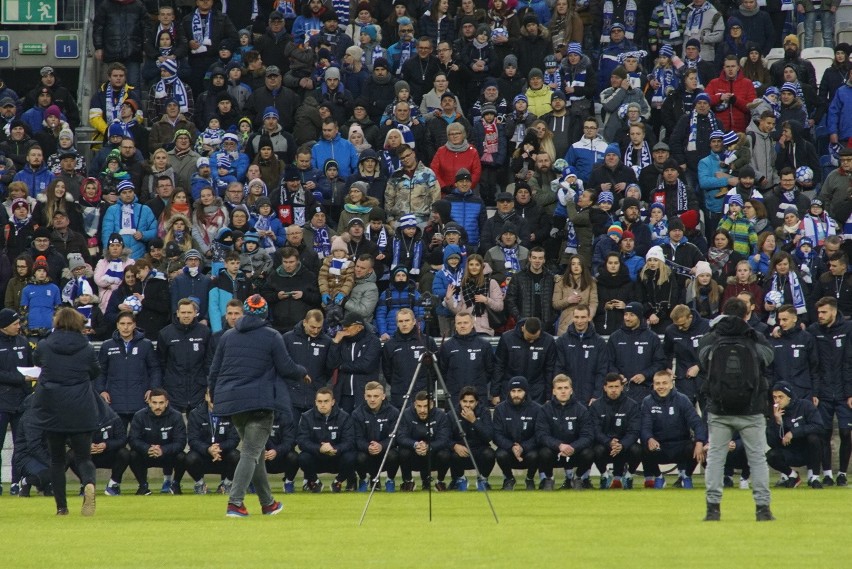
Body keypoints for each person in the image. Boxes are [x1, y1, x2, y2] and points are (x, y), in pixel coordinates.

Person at [207, 293, 307, 513]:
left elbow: (214, 370)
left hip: (232, 403)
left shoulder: (228, 336)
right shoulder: (272, 336)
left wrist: (214, 396)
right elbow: (286, 367)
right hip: (259, 402)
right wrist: (303, 373)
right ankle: (235, 502)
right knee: (251, 452)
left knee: (256, 453)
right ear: (264, 313)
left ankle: (267, 503)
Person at [697, 297, 775, 521]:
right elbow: (768, 358)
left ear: (723, 312)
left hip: (719, 409)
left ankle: (713, 509)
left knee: (716, 459)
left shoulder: (711, 338)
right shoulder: (754, 337)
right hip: (752, 409)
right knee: (758, 459)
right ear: (746, 313)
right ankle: (763, 509)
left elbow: (703, 361)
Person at [30, 308, 101, 515]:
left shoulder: (45, 345)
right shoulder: (86, 348)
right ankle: (88, 483)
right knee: (84, 457)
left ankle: (61, 507)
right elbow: (96, 371)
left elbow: (36, 361)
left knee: (57, 460)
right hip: (81, 407)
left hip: (53, 408)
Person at [806, 296, 852, 487]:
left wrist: (850, 392)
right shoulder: (813, 331)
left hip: (843, 391)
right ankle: (826, 473)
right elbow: (813, 365)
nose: (820, 316)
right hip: (823, 391)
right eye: (818, 312)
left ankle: (842, 473)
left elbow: (849, 362)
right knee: (823, 433)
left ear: (833, 311)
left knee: (845, 432)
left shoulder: (848, 329)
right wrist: (815, 392)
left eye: (824, 312)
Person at [640, 370, 707, 490]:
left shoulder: (682, 399)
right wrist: (649, 438)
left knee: (697, 446)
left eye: (664, 383)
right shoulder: (647, 401)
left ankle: (686, 476)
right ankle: (658, 477)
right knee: (643, 446)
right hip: (660, 446)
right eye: (657, 383)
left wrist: (699, 441)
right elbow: (645, 427)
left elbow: (697, 423)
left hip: (681, 446)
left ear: (671, 384)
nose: (661, 387)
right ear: (654, 385)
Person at [96, 311, 162, 431]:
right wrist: (101, 390)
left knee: (140, 441)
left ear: (134, 325)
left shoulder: (146, 345)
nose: (125, 327)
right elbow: (100, 371)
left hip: (140, 402)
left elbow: (155, 369)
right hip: (115, 402)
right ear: (117, 325)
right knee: (117, 442)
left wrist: (153, 388)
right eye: (122, 323)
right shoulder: (107, 346)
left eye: (129, 323)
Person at [536, 374, 595, 490]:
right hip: (555, 452)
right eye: (559, 388)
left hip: (575, 452)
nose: (563, 391)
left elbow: (588, 436)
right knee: (543, 452)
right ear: (554, 391)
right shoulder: (545, 410)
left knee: (590, 453)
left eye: (566, 388)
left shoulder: (581, 410)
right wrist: (559, 445)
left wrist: (573, 447)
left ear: (571, 390)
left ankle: (577, 478)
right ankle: (549, 479)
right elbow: (541, 434)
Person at [128, 388, 187, 495]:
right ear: (149, 402)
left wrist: (163, 450)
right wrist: (147, 448)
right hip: (147, 454)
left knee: (182, 456)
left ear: (166, 403)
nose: (158, 406)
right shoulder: (139, 416)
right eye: (154, 403)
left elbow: (181, 442)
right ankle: (143, 486)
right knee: (132, 454)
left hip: (167, 455)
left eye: (161, 403)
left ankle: (175, 485)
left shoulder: (176, 416)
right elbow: (133, 439)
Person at [0, 309, 34, 496]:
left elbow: (29, 366)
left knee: (21, 445)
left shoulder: (23, 342)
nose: (18, 326)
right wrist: (21, 379)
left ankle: (16, 481)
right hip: (1, 401)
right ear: (4, 326)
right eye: (15, 324)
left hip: (21, 401)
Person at [766, 381, 825, 489]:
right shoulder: (775, 413)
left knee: (814, 438)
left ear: (789, 397)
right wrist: (778, 422)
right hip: (791, 452)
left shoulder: (805, 405)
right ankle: (793, 476)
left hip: (808, 451)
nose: (777, 400)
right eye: (775, 397)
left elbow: (819, 426)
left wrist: (793, 432)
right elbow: (772, 442)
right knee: (771, 456)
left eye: (781, 397)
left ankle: (815, 477)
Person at [156, 299, 211, 414]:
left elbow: (208, 361)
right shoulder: (165, 333)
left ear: (195, 313)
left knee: (198, 429)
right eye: (183, 312)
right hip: (173, 390)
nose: (186, 315)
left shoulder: (205, 332)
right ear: (177, 313)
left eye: (189, 312)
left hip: (198, 390)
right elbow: (161, 362)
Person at [297, 387, 357, 493]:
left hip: (337, 457)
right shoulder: (306, 417)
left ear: (333, 402)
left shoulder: (345, 417)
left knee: (351, 456)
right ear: (315, 402)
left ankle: (338, 482)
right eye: (319, 401)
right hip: (317, 457)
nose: (322, 404)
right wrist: (319, 448)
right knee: (303, 457)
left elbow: (349, 441)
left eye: (326, 401)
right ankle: (314, 482)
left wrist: (335, 449)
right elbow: (302, 441)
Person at [589, 373, 642, 489]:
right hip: (605, 446)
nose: (614, 390)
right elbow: (595, 430)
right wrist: (609, 442)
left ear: (622, 387)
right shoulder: (596, 406)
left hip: (625, 446)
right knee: (595, 450)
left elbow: (634, 431)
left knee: (638, 450)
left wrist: (622, 444)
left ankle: (628, 475)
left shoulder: (632, 405)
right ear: (605, 388)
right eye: (611, 387)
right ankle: (605, 475)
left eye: (617, 387)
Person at [607, 301, 666, 404]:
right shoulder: (615, 337)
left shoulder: (652, 337)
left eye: (631, 315)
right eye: (625, 314)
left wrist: (644, 375)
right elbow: (608, 362)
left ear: (639, 316)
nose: (627, 318)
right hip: (621, 391)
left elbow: (660, 363)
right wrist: (617, 375)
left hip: (645, 391)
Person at [184, 391, 240, 495]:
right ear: (206, 396)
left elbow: (234, 439)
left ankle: (227, 484)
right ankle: (200, 484)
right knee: (189, 458)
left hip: (223, 455)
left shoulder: (231, 413)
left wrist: (219, 447)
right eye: (211, 395)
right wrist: (208, 449)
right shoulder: (195, 414)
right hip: (203, 457)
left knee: (236, 455)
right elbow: (193, 440)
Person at [281, 310, 336, 416]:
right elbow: (282, 365)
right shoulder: (288, 338)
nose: (315, 331)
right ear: (304, 322)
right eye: (312, 327)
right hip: (291, 397)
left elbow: (330, 369)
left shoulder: (327, 342)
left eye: (319, 328)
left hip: (315, 399)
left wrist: (318, 383)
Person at [381, 308, 438, 409]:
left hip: (423, 393)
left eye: (407, 320)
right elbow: (387, 371)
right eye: (400, 321)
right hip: (399, 394)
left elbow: (435, 369)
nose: (404, 324)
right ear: (397, 323)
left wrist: (425, 383)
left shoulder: (427, 341)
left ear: (414, 321)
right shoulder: (390, 345)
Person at [492, 376, 542, 490]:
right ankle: (509, 479)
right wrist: (512, 447)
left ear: (526, 392)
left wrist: (523, 447)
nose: (516, 394)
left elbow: (539, 434)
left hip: (528, 450)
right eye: (513, 391)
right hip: (508, 450)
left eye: (520, 391)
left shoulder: (537, 409)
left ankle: (529, 479)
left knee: (536, 454)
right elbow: (496, 435)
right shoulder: (500, 409)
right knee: (500, 454)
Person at [397, 390, 453, 492]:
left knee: (445, 453)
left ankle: (439, 482)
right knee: (402, 452)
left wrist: (428, 446)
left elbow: (444, 439)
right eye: (419, 406)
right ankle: (408, 481)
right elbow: (401, 437)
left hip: (433, 455)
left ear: (432, 404)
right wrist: (415, 445)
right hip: (414, 454)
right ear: (414, 404)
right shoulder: (406, 414)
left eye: (426, 406)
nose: (422, 410)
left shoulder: (441, 415)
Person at [351, 381, 401, 492]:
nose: (372, 399)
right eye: (369, 396)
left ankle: (390, 480)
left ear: (383, 396)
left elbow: (395, 437)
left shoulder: (393, 412)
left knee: (394, 455)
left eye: (376, 396)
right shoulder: (357, 414)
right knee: (357, 456)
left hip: (385, 453)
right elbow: (357, 438)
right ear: (364, 396)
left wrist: (381, 446)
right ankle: (364, 479)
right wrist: (368, 447)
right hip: (366, 452)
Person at [494, 317, 557, 404]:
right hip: (511, 389)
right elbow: (499, 366)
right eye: (528, 338)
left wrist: (549, 396)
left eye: (534, 339)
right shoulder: (507, 338)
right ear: (523, 328)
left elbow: (549, 370)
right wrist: (495, 393)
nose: (531, 341)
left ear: (540, 330)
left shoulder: (548, 341)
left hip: (537, 392)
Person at [438, 312, 496, 403]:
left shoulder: (484, 345)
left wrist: (479, 383)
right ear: (455, 325)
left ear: (472, 324)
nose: (462, 326)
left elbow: (490, 370)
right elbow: (442, 372)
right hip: (455, 396)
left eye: (465, 323)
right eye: (459, 323)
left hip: (478, 396)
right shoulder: (447, 346)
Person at [448, 385, 495, 491]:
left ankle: (483, 479)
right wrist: (454, 445)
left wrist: (474, 421)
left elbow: (489, 436)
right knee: (450, 454)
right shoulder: (452, 414)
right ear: (460, 401)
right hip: (461, 452)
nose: (468, 405)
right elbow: (445, 437)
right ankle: (460, 479)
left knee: (490, 454)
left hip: (479, 451)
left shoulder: (484, 412)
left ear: (477, 402)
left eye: (471, 402)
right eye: (465, 401)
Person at [767, 305, 819, 401]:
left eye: (785, 319)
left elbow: (814, 367)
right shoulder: (774, 340)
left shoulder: (807, 338)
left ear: (794, 318)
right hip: (780, 394)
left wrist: (815, 392)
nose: (781, 323)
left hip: (803, 393)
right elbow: (769, 370)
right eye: (779, 320)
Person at [663, 305, 711, 406]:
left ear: (690, 317)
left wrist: (699, 366)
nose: (680, 328)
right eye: (677, 325)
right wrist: (668, 367)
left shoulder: (707, 326)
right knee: (684, 410)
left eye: (683, 324)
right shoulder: (671, 331)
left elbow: (713, 350)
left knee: (707, 410)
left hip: (705, 375)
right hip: (683, 375)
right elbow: (667, 351)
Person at [505, 247, 555, 327]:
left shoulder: (551, 278)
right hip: (523, 325)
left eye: (540, 258)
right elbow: (510, 300)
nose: (537, 261)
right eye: (534, 258)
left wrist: (550, 320)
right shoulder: (518, 277)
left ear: (544, 260)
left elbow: (556, 301)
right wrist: (520, 319)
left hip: (546, 326)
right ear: (529, 259)